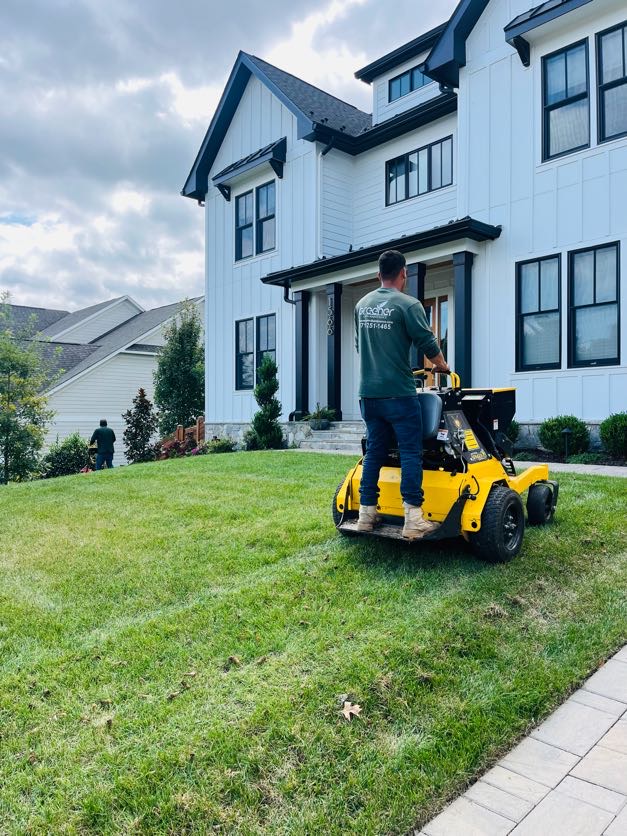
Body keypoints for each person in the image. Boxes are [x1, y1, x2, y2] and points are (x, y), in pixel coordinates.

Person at [354, 250, 450, 540]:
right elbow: (427, 343)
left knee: (374, 453)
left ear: (378, 274)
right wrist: (442, 366)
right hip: (399, 394)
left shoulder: (361, 305)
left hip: (369, 395)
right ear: (404, 273)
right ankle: (413, 519)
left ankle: (365, 515)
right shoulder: (408, 305)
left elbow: (361, 346)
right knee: (410, 452)